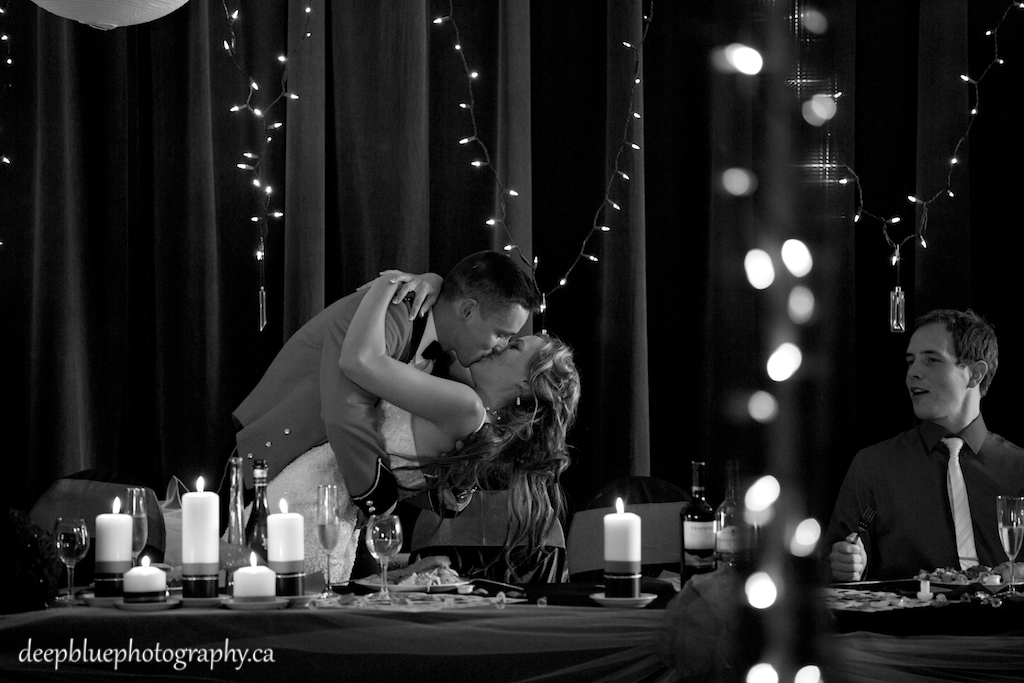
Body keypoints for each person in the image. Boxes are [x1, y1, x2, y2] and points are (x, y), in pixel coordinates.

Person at [826, 309, 1024, 582]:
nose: (913, 374)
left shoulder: (1018, 468)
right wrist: (845, 565)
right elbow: (833, 568)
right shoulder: (873, 467)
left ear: (975, 374)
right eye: (910, 361)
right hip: (908, 623)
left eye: (931, 360)